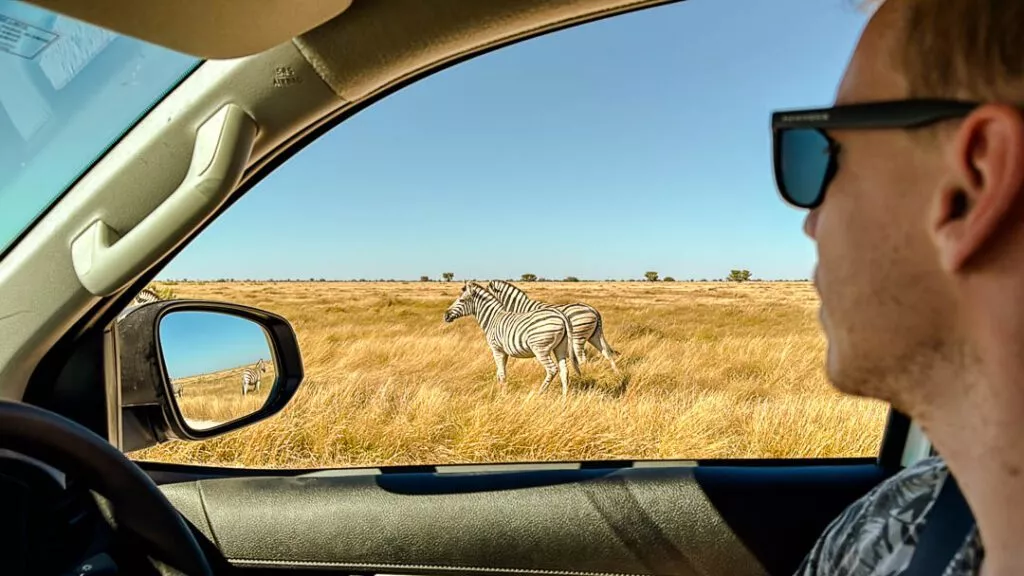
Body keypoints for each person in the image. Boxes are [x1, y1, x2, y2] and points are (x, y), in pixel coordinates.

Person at [770, 0, 1024, 574]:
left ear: (971, 185)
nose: (810, 222)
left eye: (826, 154)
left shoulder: (890, 536)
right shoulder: (901, 512)